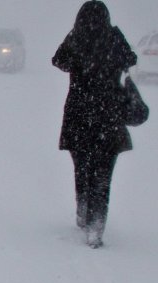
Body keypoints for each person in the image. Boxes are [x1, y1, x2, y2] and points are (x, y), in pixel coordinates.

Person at [52, 0, 137, 248]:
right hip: (108, 119)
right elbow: (130, 59)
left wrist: (74, 36)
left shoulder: (76, 39)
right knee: (102, 177)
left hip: (79, 117)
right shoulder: (112, 38)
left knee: (82, 169)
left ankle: (83, 210)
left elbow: (58, 60)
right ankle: (96, 226)